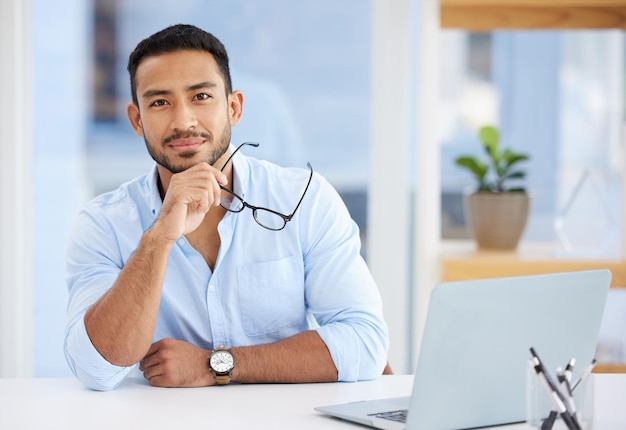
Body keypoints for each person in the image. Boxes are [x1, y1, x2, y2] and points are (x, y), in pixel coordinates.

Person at [64, 23, 389, 391]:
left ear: (234, 107)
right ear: (137, 121)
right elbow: (95, 369)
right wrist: (158, 238)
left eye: (201, 97)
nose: (183, 121)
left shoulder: (304, 199)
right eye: (159, 102)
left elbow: (365, 343)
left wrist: (215, 366)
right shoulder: (103, 223)